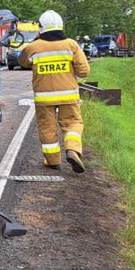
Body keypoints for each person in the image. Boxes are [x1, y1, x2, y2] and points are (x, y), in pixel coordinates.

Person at [18, 10, 90, 173]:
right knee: (73, 123)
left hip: (44, 98)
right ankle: (72, 149)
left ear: (41, 28)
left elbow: (22, 62)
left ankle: (52, 161)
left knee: (47, 128)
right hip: (68, 95)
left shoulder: (33, 47)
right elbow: (84, 72)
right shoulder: (71, 44)